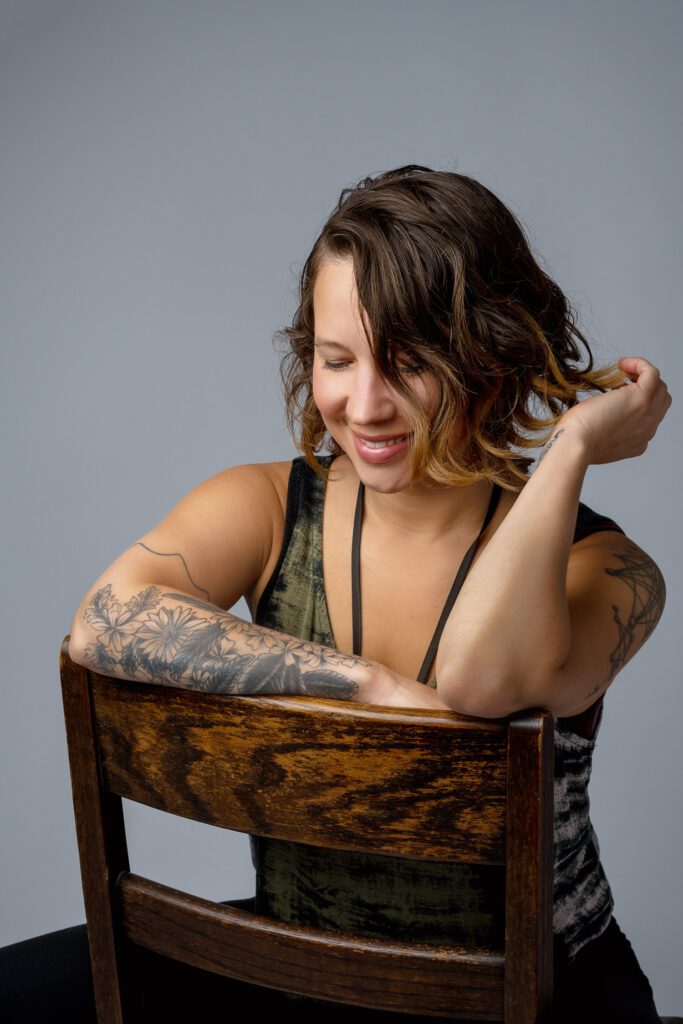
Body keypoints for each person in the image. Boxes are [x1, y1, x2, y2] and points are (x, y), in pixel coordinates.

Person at [6, 166, 672, 1022]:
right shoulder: (269, 506)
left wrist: (570, 447)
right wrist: (362, 683)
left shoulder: (610, 570)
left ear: (489, 355)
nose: (363, 405)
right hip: (305, 964)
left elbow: (477, 685)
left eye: (407, 363)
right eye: (335, 359)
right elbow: (105, 619)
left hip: (539, 992)